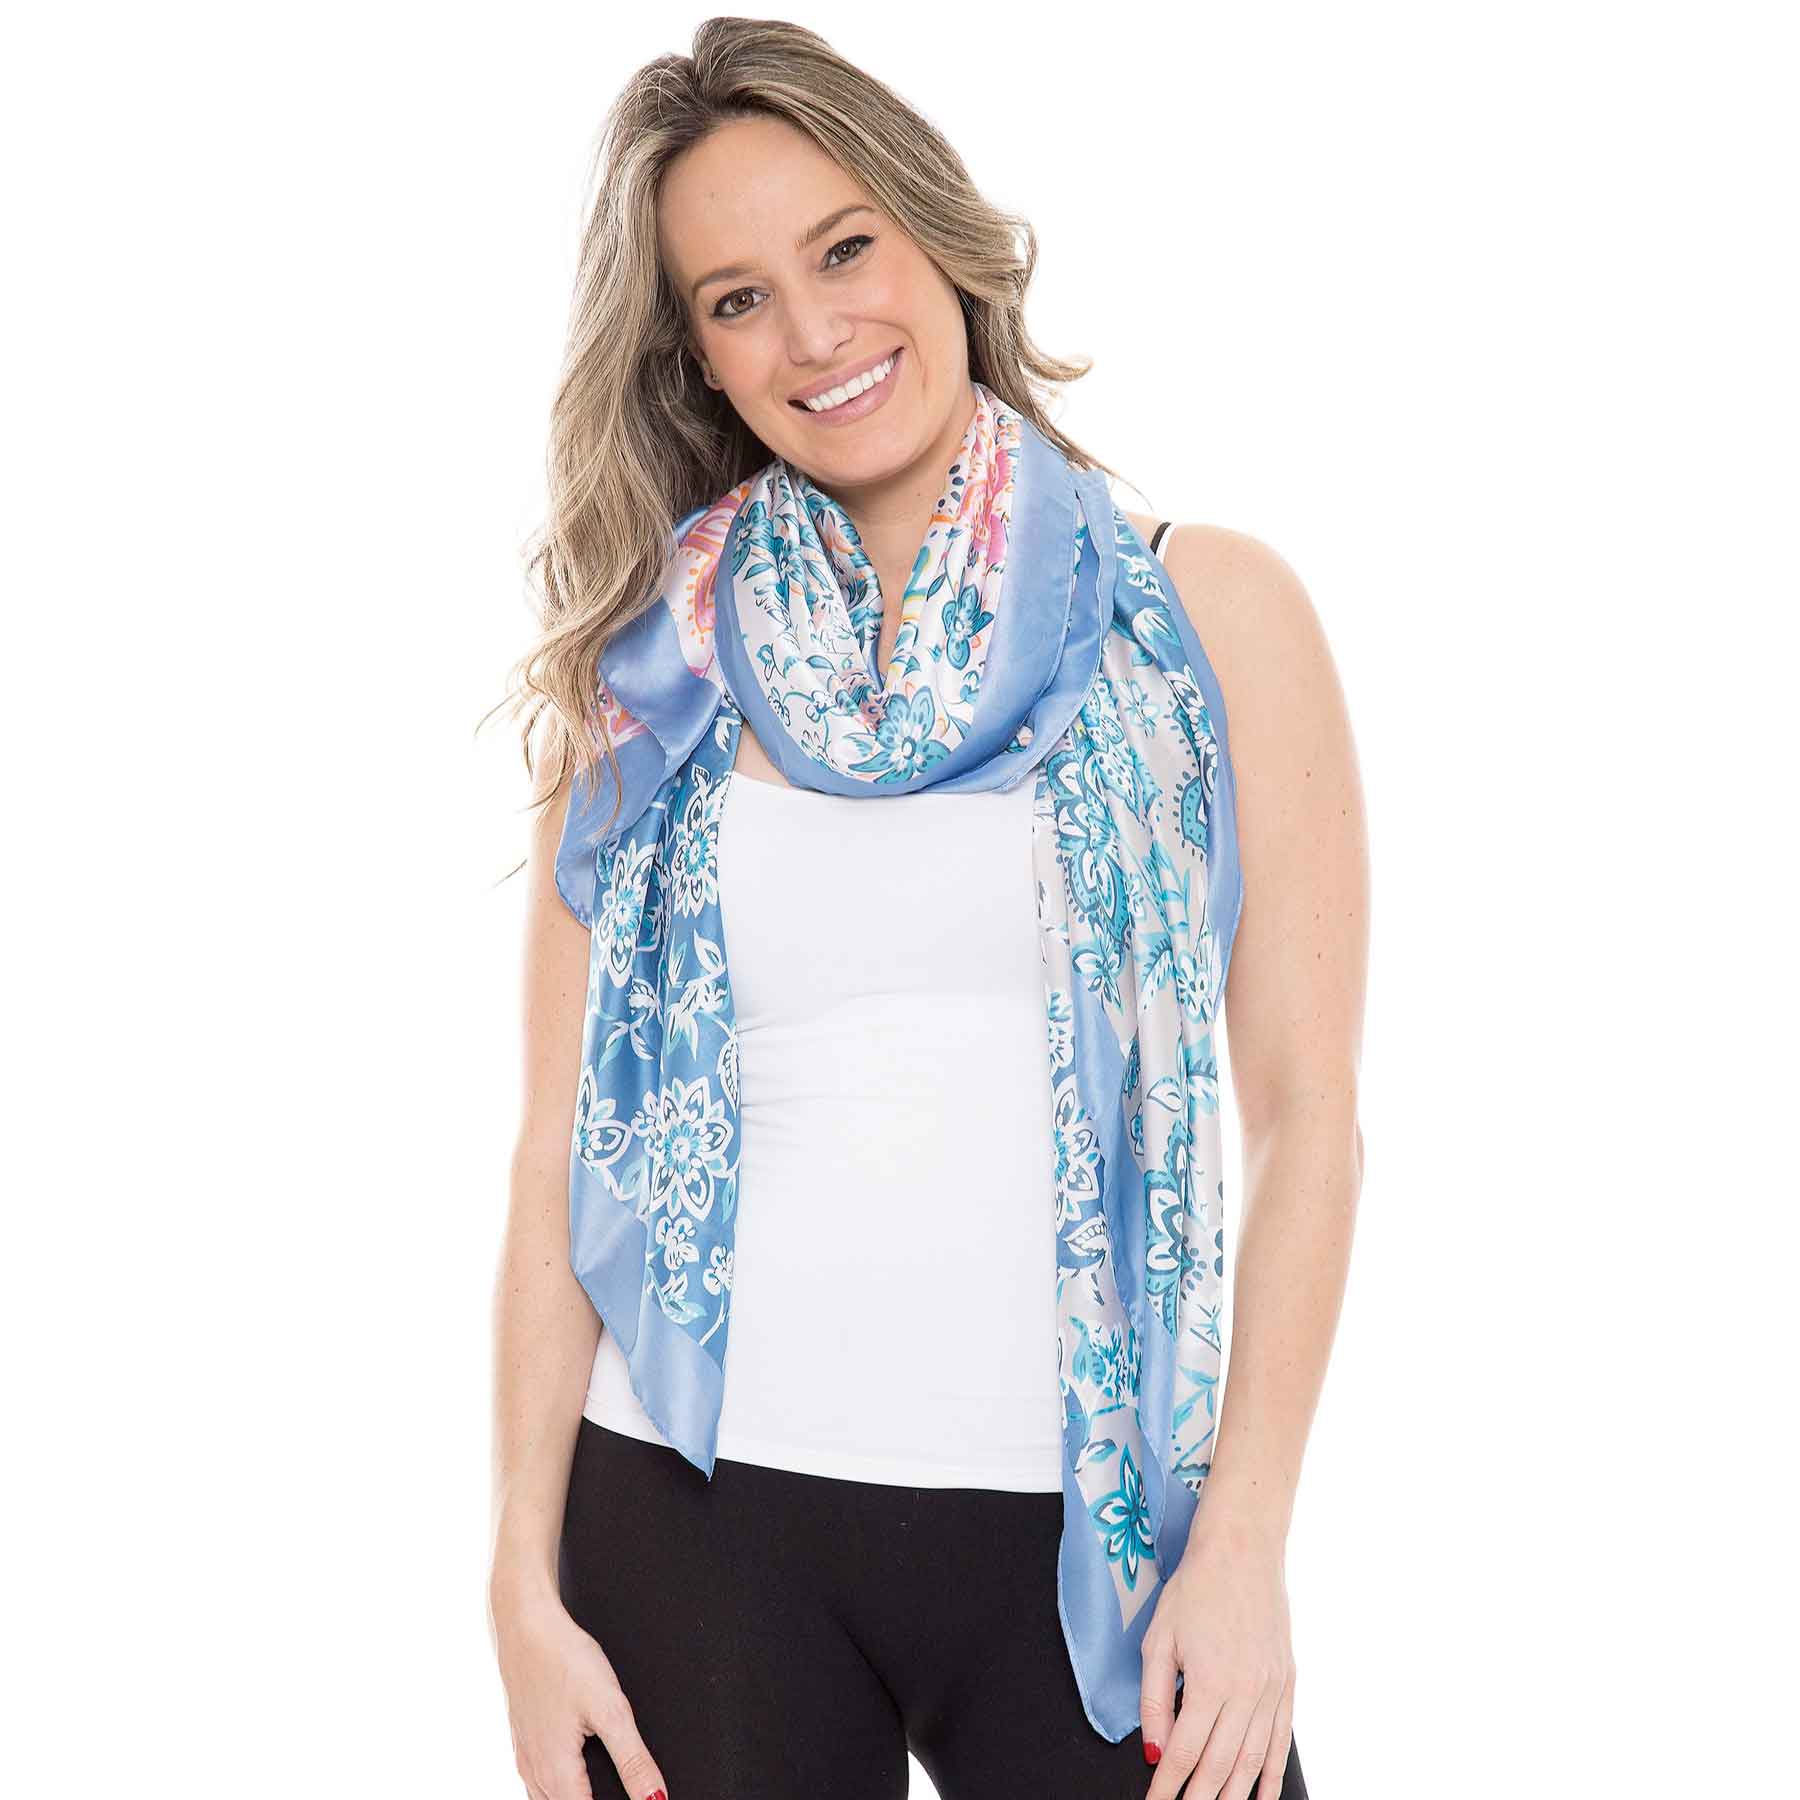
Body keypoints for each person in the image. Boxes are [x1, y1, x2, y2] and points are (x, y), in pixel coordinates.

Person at [487, 19, 1367, 1800]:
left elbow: (1308, 1113)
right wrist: (517, 1576)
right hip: (692, 1516)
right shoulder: (651, 672)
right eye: (738, 300)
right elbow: (558, 1149)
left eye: (844, 250)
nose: (814, 335)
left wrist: (1247, 1542)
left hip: (1092, 1529)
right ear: (697, 357)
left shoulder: (1207, 612)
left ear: (938, 235)